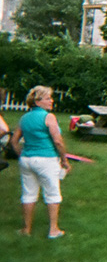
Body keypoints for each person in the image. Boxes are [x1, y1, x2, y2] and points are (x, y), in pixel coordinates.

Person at [10, 86, 71, 238]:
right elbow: (58, 141)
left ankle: (26, 229)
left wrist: (21, 155)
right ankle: (53, 230)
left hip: (27, 159)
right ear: (37, 101)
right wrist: (64, 160)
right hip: (46, 159)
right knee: (52, 194)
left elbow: (13, 140)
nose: (51, 101)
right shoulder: (49, 117)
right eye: (48, 98)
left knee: (29, 194)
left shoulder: (24, 118)